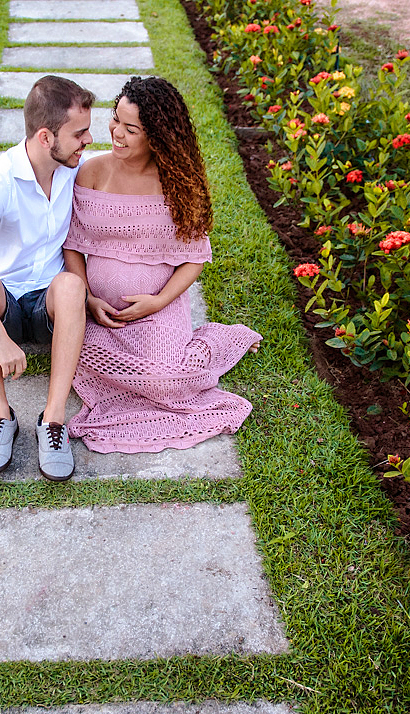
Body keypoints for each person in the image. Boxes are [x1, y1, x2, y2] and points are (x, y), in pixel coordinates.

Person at [62, 76, 261, 454]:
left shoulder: (179, 185)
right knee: (73, 353)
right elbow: (74, 245)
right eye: (116, 119)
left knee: (167, 379)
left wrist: (158, 301)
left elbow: (195, 258)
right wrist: (87, 298)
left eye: (131, 128)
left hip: (158, 309)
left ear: (157, 136)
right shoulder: (91, 173)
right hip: (96, 312)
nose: (116, 132)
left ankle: (219, 340)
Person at [0, 76, 95, 481]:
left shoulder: (72, 168)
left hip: (49, 304)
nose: (89, 140)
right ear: (46, 137)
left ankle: (54, 420)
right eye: (79, 133)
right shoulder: (0, 180)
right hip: (5, 301)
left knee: (72, 286)